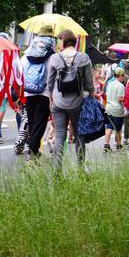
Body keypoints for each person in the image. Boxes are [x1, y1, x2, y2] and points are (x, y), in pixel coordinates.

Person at [46, 29, 95, 170]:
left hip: (58, 103)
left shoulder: (55, 58)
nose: (58, 43)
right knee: (80, 136)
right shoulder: (84, 57)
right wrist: (91, 98)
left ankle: (57, 170)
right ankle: (80, 168)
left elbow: (49, 83)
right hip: (77, 103)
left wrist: (51, 100)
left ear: (63, 41)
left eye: (59, 40)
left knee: (60, 135)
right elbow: (89, 83)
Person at [21, 33, 55, 157]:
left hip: (28, 92)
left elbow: (20, 72)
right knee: (39, 125)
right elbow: (53, 78)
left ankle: (33, 150)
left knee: (32, 123)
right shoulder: (52, 56)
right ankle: (33, 154)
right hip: (45, 94)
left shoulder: (26, 55)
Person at [103, 68, 125, 152]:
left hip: (109, 108)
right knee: (118, 129)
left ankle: (106, 144)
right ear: (120, 75)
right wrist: (127, 98)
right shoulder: (120, 86)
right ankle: (118, 144)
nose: (123, 78)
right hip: (117, 110)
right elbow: (120, 99)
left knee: (109, 127)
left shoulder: (110, 84)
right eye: (123, 76)